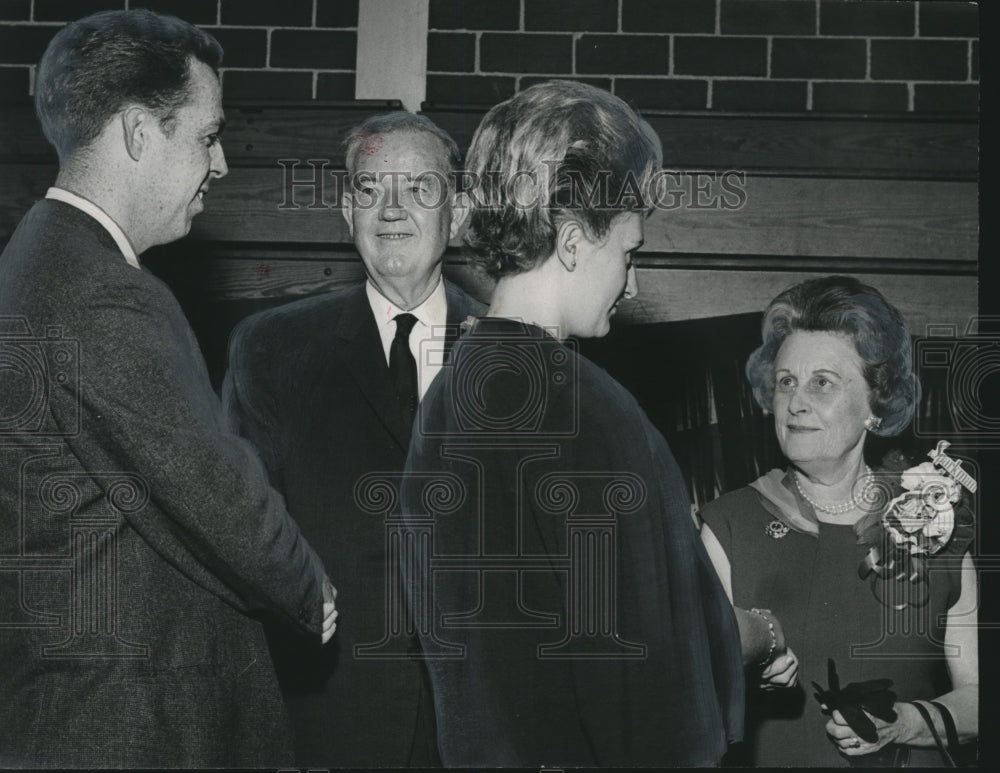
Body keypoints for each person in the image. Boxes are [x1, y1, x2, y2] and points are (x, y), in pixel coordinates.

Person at [398, 79, 787, 767]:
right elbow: (646, 681)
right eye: (629, 252)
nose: (632, 284)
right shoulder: (585, 406)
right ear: (575, 237)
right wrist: (761, 632)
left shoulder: (451, 391)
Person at [0, 10, 336, 768]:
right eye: (208, 136)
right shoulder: (100, 289)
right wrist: (309, 589)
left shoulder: (35, 258)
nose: (220, 166)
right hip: (124, 723)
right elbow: (208, 480)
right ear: (137, 134)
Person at [222, 111, 486, 767]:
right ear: (347, 210)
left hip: (479, 729)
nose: (391, 210)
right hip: (323, 724)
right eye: (371, 189)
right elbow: (240, 537)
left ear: (459, 212)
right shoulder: (273, 349)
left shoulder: (515, 355)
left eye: (419, 188)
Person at [699, 275, 978, 767]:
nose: (796, 401)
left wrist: (908, 723)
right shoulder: (728, 527)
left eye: (822, 382)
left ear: (877, 401)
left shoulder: (937, 522)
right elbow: (688, 694)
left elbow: (980, 698)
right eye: (787, 381)